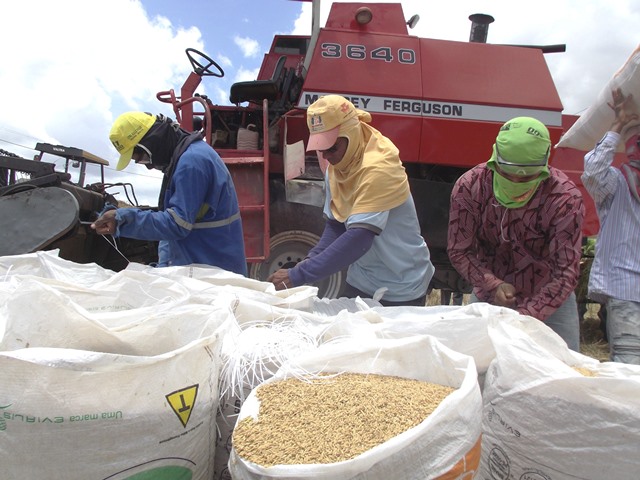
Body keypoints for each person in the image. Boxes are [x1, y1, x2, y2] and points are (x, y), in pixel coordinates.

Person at [267, 95, 434, 306]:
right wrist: (310, 261)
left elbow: (359, 238)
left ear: (351, 133)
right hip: (362, 279)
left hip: (401, 285)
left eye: (332, 148)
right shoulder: (337, 168)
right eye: (321, 149)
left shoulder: (379, 167)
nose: (326, 156)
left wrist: (299, 274)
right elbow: (336, 225)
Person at [448, 116, 585, 351]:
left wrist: (525, 316)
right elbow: (460, 250)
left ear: (544, 165)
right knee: (480, 365)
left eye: (526, 178)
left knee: (562, 369)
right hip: (489, 297)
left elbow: (566, 271)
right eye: (507, 174)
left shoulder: (564, 199)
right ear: (495, 158)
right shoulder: (470, 186)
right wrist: (492, 284)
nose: (515, 181)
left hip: (551, 301)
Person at [91, 111, 247, 276]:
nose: (148, 166)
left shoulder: (192, 163)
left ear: (152, 143)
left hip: (212, 273)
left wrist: (122, 220)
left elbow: (176, 224)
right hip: (201, 267)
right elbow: (173, 221)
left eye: (143, 158)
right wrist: (164, 265)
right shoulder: (186, 157)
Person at [581, 88, 640, 364]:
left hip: (625, 289)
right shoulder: (617, 184)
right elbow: (592, 172)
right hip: (627, 291)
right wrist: (617, 125)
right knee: (631, 370)